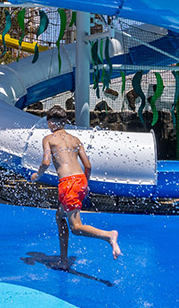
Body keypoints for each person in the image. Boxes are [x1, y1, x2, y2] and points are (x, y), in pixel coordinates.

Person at [30, 106, 121, 263]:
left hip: (69, 183)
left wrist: (37, 175)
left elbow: (45, 161)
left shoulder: (48, 139)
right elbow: (88, 166)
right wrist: (84, 185)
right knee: (60, 216)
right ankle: (64, 261)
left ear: (51, 123)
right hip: (81, 180)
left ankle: (108, 236)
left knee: (76, 228)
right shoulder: (75, 140)